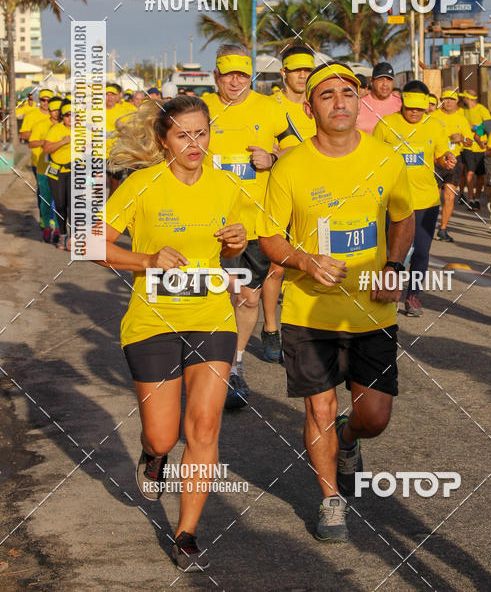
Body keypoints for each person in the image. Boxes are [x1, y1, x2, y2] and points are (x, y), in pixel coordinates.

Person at [258, 62, 414, 542]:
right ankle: (331, 501)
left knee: (375, 417)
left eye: (347, 92)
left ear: (359, 99)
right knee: (318, 410)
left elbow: (403, 216)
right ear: (310, 108)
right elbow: (269, 237)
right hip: (309, 312)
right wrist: (304, 261)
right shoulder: (291, 166)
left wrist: (393, 265)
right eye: (327, 95)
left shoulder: (387, 158)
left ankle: (349, 440)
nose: (339, 102)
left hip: (371, 310)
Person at [98, 96, 246, 570]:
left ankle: (186, 533)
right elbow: (91, 243)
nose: (194, 143)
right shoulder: (143, 185)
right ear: (164, 140)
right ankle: (153, 457)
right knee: (162, 436)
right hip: (152, 321)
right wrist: (146, 259)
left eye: (201, 132)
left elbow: (234, 253)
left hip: (211, 317)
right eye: (183, 134)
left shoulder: (226, 186)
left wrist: (237, 247)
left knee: (204, 426)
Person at [203, 44, 288, 407]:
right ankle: (208, 367)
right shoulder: (200, 108)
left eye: (242, 74)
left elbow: (302, 148)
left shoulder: (271, 109)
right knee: (213, 296)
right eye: (228, 75)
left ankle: (234, 368)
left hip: (256, 223)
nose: (235, 81)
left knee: (248, 297)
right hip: (208, 222)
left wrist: (273, 156)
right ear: (215, 76)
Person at [374, 80, 455, 316]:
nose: (415, 113)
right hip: (394, 200)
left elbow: (441, 154)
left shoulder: (435, 125)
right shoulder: (387, 124)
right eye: (411, 108)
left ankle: (413, 296)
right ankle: (390, 292)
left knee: (421, 251)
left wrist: (446, 158)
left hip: (426, 201)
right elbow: (375, 157)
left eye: (420, 109)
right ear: (403, 104)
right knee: (392, 252)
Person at [263, 45, 317, 362]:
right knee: (278, 266)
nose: (302, 75)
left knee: (312, 264)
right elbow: (265, 152)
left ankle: (303, 331)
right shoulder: (271, 107)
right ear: (283, 72)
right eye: (296, 69)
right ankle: (270, 330)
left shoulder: (317, 105)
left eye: (307, 70)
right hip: (279, 193)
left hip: (315, 196)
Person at [434, 90, 474, 241]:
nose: (449, 102)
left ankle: (442, 229)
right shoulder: (433, 117)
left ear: (457, 101)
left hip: (454, 161)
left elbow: (470, 142)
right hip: (437, 161)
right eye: (446, 99)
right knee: (434, 198)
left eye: (452, 99)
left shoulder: (461, 119)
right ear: (441, 100)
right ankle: (428, 226)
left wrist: (462, 137)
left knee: (449, 197)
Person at [28, 96, 62, 242]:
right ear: (48, 111)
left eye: (58, 110)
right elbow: (31, 143)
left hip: (61, 169)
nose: (56, 113)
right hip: (43, 168)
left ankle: (59, 228)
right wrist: (46, 142)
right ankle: (46, 225)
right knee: (46, 198)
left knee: (60, 200)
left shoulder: (67, 125)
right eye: (53, 110)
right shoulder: (40, 125)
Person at [43, 100, 72, 249]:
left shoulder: (82, 131)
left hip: (75, 171)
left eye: (73, 115)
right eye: (67, 115)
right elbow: (46, 149)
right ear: (62, 116)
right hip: (57, 171)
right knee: (60, 204)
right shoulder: (56, 129)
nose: (70, 118)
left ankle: (73, 237)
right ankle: (62, 234)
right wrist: (62, 142)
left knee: (73, 205)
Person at [459, 88, 491, 209]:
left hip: (481, 147)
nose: (462, 99)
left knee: (481, 175)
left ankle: (477, 198)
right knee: (470, 172)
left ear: (469, 99)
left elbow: (489, 126)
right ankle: (471, 199)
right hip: (468, 146)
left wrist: (475, 127)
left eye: (464, 97)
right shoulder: (463, 110)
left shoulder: (482, 110)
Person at [105, 83, 136, 194]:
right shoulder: (95, 111)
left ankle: (111, 205)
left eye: (112, 94)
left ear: (117, 96)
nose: (109, 97)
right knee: (98, 182)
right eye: (106, 94)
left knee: (115, 181)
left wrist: (123, 127)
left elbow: (132, 130)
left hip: (116, 153)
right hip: (98, 153)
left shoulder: (123, 111)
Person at [355, 62, 401, 134]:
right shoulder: (358, 104)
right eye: (380, 79)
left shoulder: (402, 105)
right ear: (371, 81)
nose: (385, 84)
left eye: (389, 79)